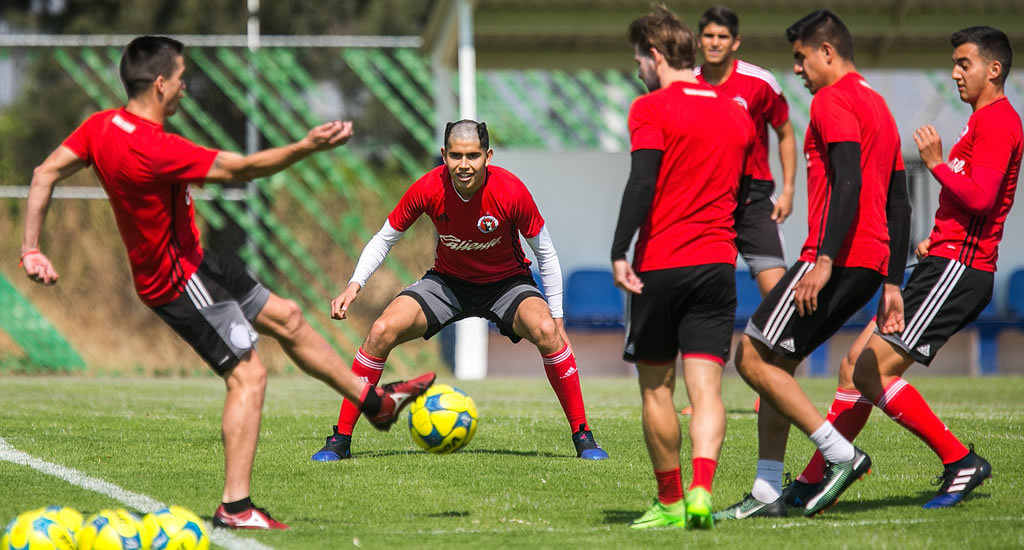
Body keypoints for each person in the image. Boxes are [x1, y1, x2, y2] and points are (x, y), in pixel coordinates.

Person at [18, 35, 435, 530]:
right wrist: (306, 146)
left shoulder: (100, 126)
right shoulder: (156, 148)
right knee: (249, 376)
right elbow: (244, 169)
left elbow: (44, 173)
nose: (184, 89)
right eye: (180, 79)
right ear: (158, 84)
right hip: (179, 281)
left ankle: (375, 404)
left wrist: (31, 248)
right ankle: (235, 507)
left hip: (200, 263)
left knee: (289, 318)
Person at [784, 25, 1020, 510]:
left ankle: (959, 461)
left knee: (871, 371)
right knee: (855, 366)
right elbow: (972, 202)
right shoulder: (979, 122)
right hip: (946, 260)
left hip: (960, 270)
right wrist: (938, 235)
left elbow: (982, 196)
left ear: (994, 70)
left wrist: (934, 163)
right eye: (955, 63)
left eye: (964, 64)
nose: (956, 73)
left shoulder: (998, 121)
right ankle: (815, 477)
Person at [309, 119, 608, 463]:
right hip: (447, 283)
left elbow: (546, 253)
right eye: (455, 156)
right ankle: (340, 440)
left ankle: (583, 435)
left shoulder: (511, 191)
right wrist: (354, 285)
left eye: (472, 156)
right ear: (444, 155)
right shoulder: (427, 187)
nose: (463, 165)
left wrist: (557, 318)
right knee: (380, 331)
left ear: (488, 156)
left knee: (546, 332)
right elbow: (385, 238)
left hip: (507, 284)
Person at [715, 9, 910, 520]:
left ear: (827, 51)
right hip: (869, 263)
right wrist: (892, 281)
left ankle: (839, 453)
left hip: (835, 258)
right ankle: (766, 492)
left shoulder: (833, 100)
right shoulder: (879, 105)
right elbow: (899, 199)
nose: (797, 70)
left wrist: (823, 260)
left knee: (752, 357)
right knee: (777, 363)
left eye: (801, 58)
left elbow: (846, 179)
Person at [612, 6, 755, 530]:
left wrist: (618, 249)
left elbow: (642, 181)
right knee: (707, 391)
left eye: (637, 59)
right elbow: (745, 194)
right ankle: (702, 489)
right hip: (718, 265)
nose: (638, 69)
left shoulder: (650, 108)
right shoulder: (736, 111)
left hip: (661, 265)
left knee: (656, 389)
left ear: (654, 56)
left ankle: (671, 501)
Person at [694, 5, 796, 298]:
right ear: (699, 39)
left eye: (722, 36)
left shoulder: (760, 82)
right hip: (707, 201)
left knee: (778, 297)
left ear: (735, 41)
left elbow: (786, 133)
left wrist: (788, 191)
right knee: (702, 295)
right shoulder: (686, 83)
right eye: (709, 35)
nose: (715, 42)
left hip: (755, 199)